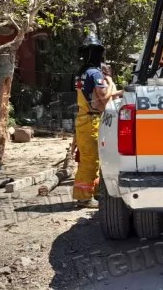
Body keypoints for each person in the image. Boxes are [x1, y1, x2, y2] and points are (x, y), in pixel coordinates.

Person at [71, 34, 122, 208]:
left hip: (83, 120)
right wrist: (113, 86)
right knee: (91, 160)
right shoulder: (95, 74)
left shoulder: (81, 74)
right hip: (91, 121)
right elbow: (103, 99)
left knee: (88, 159)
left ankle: (92, 193)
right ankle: (84, 198)